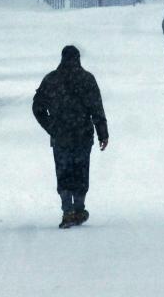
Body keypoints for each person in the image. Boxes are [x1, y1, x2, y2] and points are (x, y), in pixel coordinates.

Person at [32, 45, 109, 229]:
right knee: (81, 171)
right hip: (83, 135)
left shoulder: (51, 80)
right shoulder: (87, 79)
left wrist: (51, 126)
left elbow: (37, 107)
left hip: (61, 136)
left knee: (64, 171)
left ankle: (67, 211)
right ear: (78, 59)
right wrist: (102, 133)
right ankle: (79, 208)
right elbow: (97, 108)